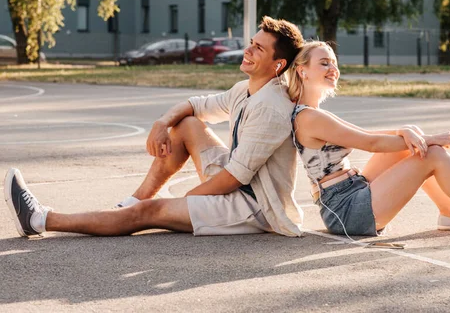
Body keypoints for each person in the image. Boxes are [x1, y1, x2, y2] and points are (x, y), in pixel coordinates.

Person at [4, 16, 305, 238]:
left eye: (258, 49)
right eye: (251, 43)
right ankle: (133, 200)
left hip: (253, 206)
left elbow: (232, 179)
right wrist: (161, 123)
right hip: (238, 183)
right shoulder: (246, 88)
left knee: (148, 214)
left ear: (278, 65)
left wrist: (184, 202)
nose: (248, 51)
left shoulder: (271, 107)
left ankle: (40, 219)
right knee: (186, 124)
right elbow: (197, 105)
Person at [286, 41, 450, 241]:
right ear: (302, 71)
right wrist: (428, 140)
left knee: (411, 134)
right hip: (346, 212)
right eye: (324, 63)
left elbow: (370, 134)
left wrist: (407, 131)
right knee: (432, 154)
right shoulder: (309, 118)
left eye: (333, 62)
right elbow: (372, 144)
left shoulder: (314, 114)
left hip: (350, 190)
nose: (333, 68)